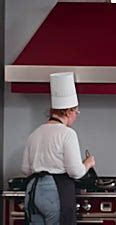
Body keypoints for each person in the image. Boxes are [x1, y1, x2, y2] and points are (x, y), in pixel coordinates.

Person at [21, 72, 96, 225]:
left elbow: (25, 169)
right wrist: (88, 163)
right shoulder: (67, 134)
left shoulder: (35, 133)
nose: (76, 115)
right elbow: (75, 172)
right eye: (76, 112)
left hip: (33, 191)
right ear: (68, 111)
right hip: (55, 191)